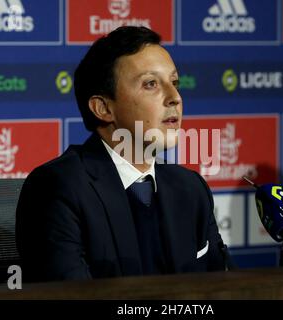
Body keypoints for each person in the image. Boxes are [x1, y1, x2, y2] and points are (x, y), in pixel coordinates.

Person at [16, 26, 228, 282]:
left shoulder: (190, 189)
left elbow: (224, 288)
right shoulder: (57, 187)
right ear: (103, 108)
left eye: (174, 83)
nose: (175, 97)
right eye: (151, 84)